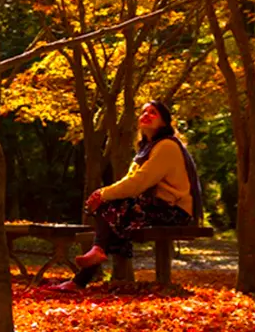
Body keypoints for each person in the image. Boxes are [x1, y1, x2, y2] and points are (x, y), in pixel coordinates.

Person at [53, 100, 204, 291]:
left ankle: (84, 273)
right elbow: (129, 181)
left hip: (175, 212)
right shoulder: (146, 150)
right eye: (144, 112)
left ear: (165, 122)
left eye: (153, 112)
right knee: (110, 210)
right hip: (157, 207)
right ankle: (85, 273)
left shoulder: (167, 146)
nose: (146, 115)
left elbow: (138, 184)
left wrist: (102, 194)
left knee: (110, 208)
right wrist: (104, 195)